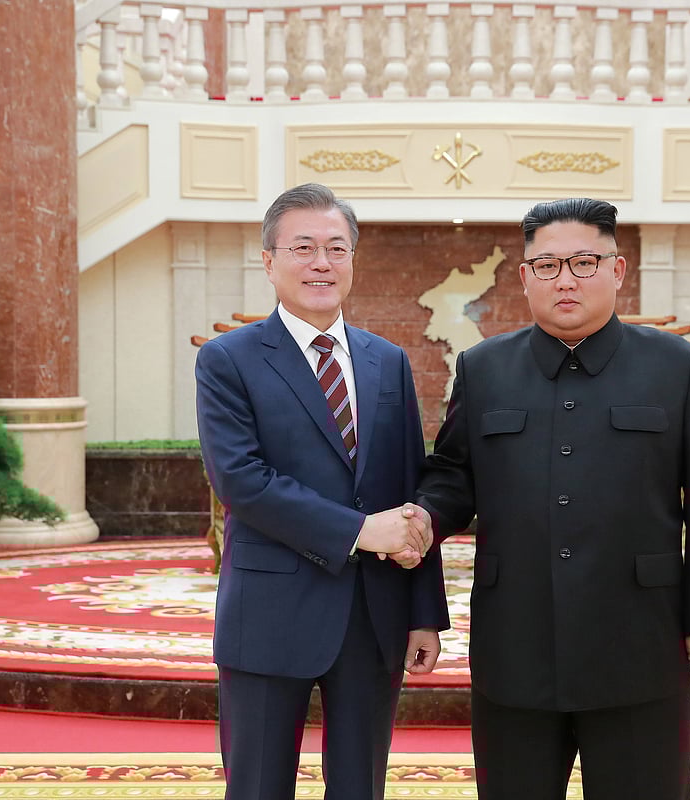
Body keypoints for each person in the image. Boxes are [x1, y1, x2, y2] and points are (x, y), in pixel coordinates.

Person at [413, 197, 690, 800]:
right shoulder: (484, 368)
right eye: (547, 266)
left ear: (618, 271)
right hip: (516, 643)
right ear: (525, 277)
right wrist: (420, 518)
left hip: (640, 643)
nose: (565, 279)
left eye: (585, 262)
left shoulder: (675, 367)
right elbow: (454, 477)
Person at [195, 182, 449, 800]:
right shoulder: (228, 359)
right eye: (303, 247)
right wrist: (360, 532)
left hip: (374, 613)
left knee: (361, 787)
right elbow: (242, 480)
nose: (321, 263)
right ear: (268, 260)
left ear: (353, 260)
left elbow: (410, 485)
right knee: (257, 786)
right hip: (269, 610)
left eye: (336, 248)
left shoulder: (386, 360)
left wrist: (423, 614)